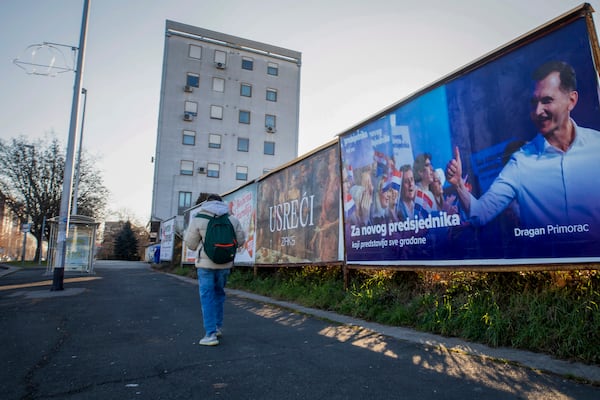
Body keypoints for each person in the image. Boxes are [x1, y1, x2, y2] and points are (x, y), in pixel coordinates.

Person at [445, 60, 600, 232]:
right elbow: (480, 214)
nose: (538, 111)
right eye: (534, 103)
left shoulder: (597, 145)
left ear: (571, 100)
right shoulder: (520, 162)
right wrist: (458, 184)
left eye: (547, 100)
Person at [184, 194, 246, 346]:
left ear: (206, 203)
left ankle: (210, 334)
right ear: (221, 203)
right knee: (219, 294)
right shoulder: (232, 219)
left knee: (207, 297)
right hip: (225, 264)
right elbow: (241, 241)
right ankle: (217, 327)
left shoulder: (199, 218)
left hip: (205, 265)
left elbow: (191, 244)